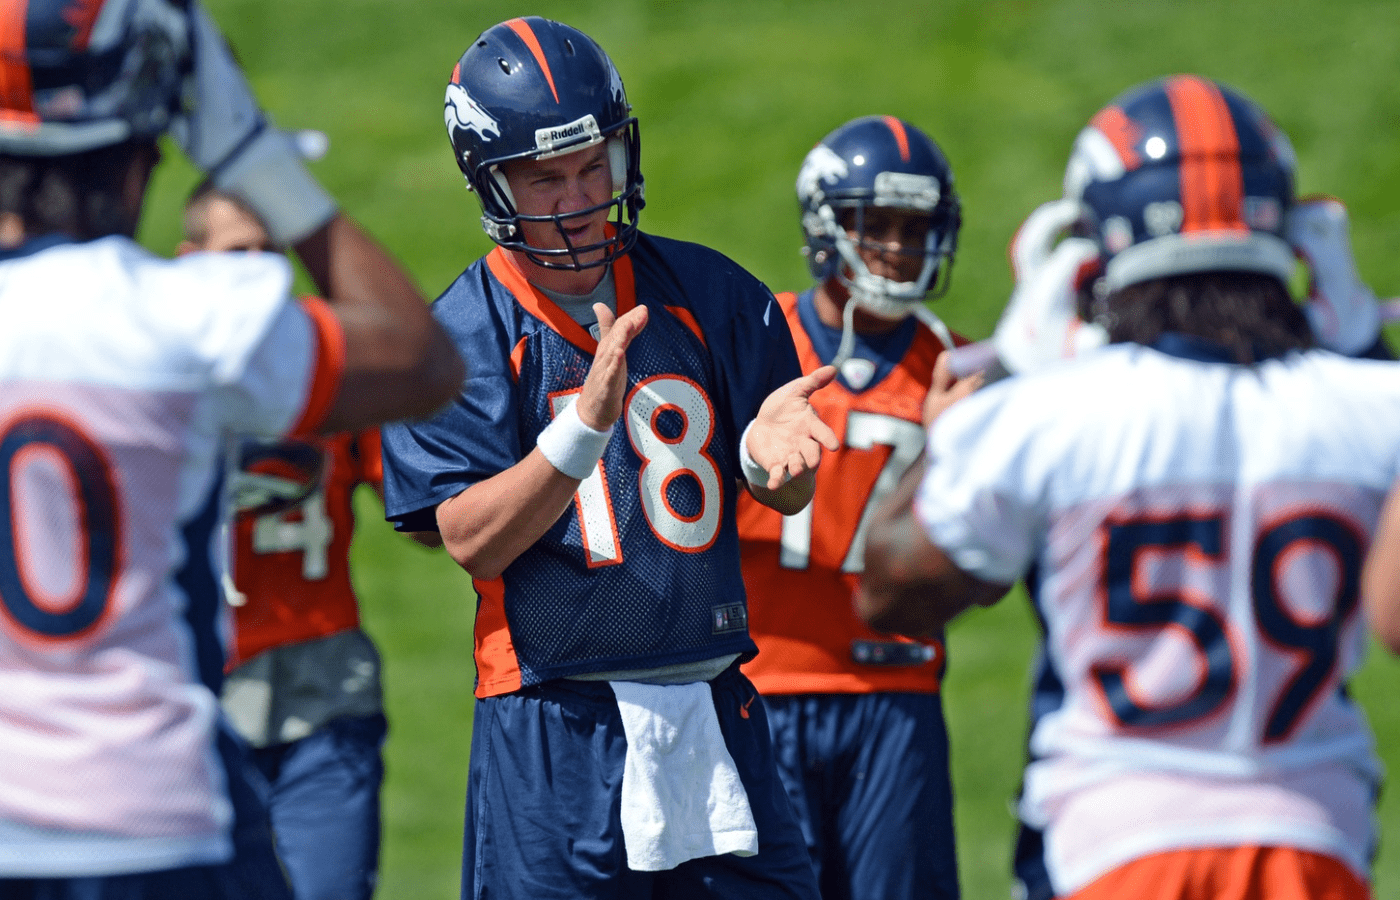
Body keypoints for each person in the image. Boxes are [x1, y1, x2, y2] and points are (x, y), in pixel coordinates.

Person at [857, 74, 1397, 900]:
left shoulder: (1053, 413)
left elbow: (892, 592)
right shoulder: (1370, 408)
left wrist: (1012, 366)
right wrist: (1366, 347)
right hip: (1311, 836)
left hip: (1112, 841)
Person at [0, 0, 463, 896]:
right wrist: (254, 154)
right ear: (142, 156)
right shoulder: (190, 316)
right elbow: (421, 360)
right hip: (159, 812)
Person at [379, 15, 839, 900]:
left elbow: (778, 490)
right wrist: (581, 429)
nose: (579, 196)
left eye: (594, 165)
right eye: (546, 177)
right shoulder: (462, 336)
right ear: (491, 181)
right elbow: (470, 538)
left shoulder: (709, 292)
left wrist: (773, 461)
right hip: (555, 716)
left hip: (714, 702)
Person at [735, 115, 974, 900]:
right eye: (879, 225)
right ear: (824, 226)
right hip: (761, 686)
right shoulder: (752, 336)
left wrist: (957, 452)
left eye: (916, 228)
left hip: (894, 693)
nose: (899, 248)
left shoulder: (958, 372)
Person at [179, 182, 392, 900]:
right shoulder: (156, 373)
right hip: (197, 687)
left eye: (271, 253)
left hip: (323, 681)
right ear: (189, 261)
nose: (257, 269)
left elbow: (421, 510)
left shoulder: (327, 358)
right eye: (237, 251)